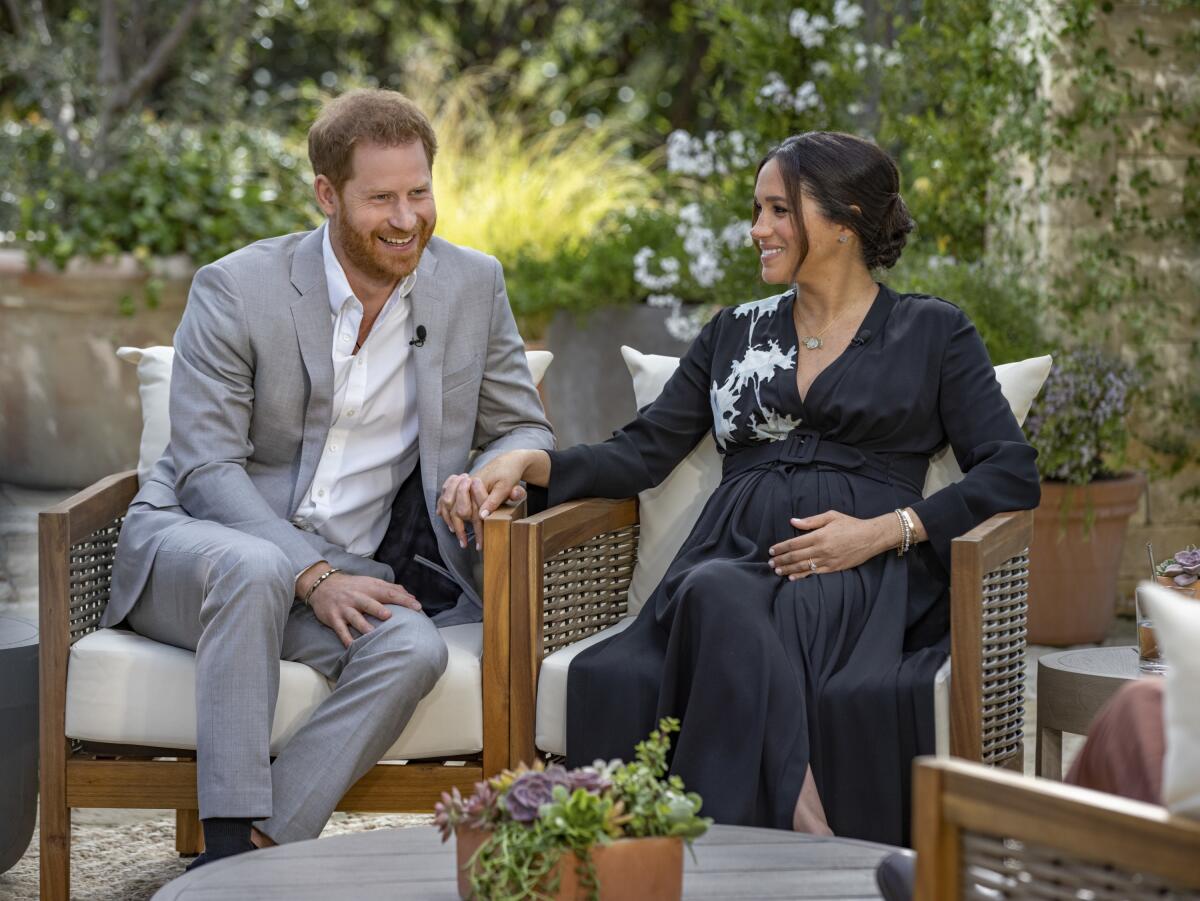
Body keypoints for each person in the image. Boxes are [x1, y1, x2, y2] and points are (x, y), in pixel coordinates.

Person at [458, 132, 1040, 845]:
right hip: (731, 552)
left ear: (843, 219)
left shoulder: (933, 331)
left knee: (714, 594)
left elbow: (1011, 469)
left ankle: (726, 851)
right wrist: (530, 463)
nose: (757, 229)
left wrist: (887, 530)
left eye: (778, 211)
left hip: (856, 571)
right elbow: (642, 452)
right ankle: (802, 820)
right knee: (712, 590)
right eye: (756, 210)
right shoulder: (733, 331)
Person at [105, 89, 554, 866]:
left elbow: (522, 423)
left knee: (412, 648)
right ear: (327, 195)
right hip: (199, 551)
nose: (407, 217)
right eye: (381, 198)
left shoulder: (472, 286)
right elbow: (208, 470)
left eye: (420, 192)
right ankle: (224, 845)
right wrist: (310, 574)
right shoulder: (237, 288)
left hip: (346, 570)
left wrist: (490, 469)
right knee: (252, 568)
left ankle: (258, 844)